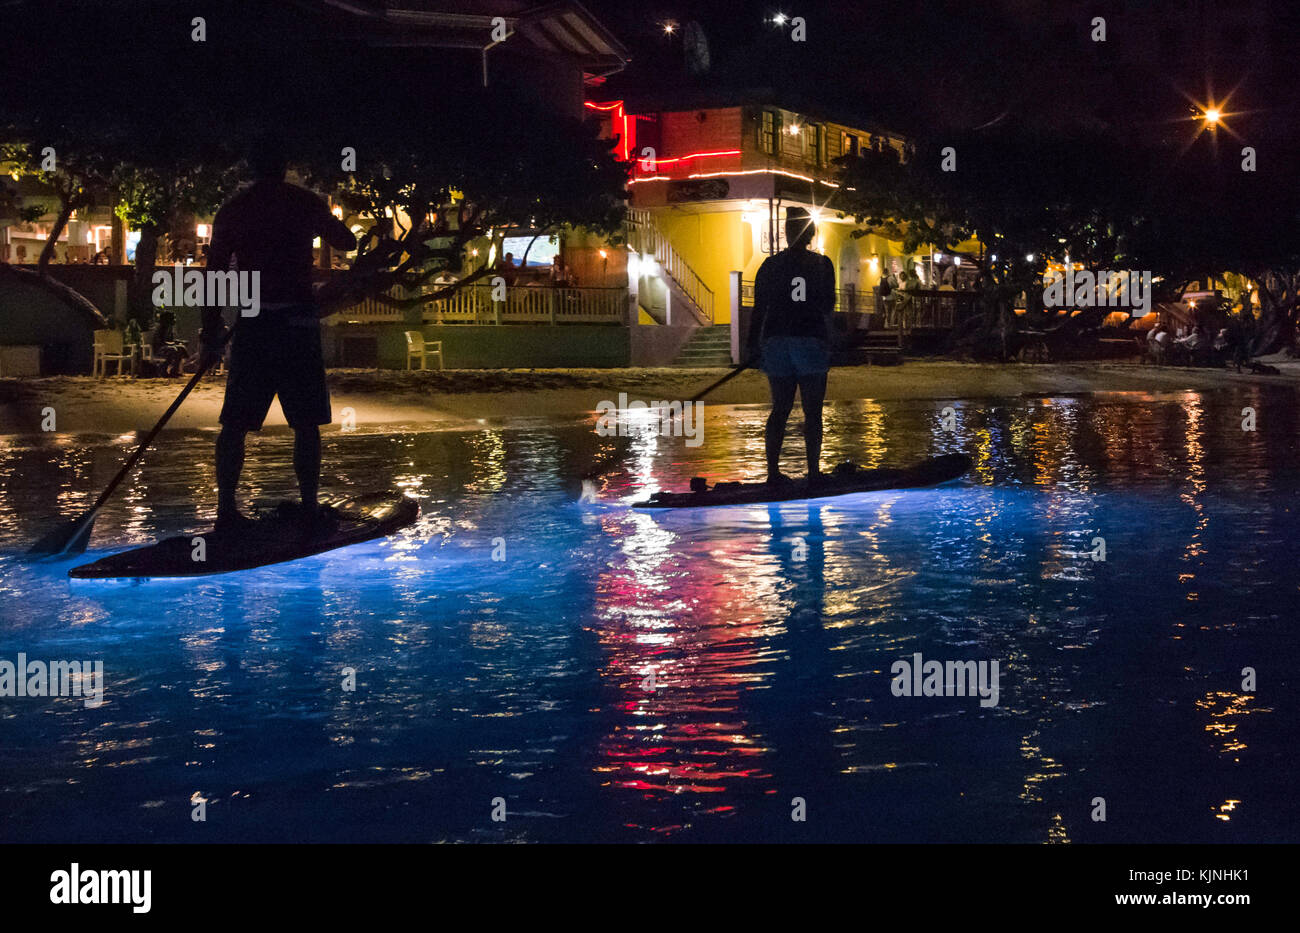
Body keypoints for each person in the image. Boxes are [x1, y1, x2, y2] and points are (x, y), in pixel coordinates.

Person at [200, 139, 357, 535]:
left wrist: (210, 332)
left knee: (235, 423)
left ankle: (225, 513)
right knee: (306, 423)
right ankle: (308, 506)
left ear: (251, 168)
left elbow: (214, 274)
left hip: (254, 325)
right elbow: (346, 242)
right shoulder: (304, 203)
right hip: (297, 326)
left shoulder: (234, 210)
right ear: (284, 164)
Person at [750, 206, 836, 485]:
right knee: (812, 411)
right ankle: (813, 473)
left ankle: (773, 473)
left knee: (780, 409)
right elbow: (827, 306)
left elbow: (759, 309)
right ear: (810, 233)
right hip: (809, 340)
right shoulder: (822, 264)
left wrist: (753, 345)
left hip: (776, 343)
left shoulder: (769, 266)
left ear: (787, 233)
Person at [150, 309, 188, 377]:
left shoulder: (169, 328)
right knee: (173, 349)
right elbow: (161, 342)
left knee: (180, 348)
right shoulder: (161, 329)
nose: (175, 320)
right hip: (159, 349)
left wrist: (179, 342)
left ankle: (174, 371)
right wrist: (173, 344)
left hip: (166, 347)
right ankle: (163, 369)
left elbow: (171, 340)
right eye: (173, 318)